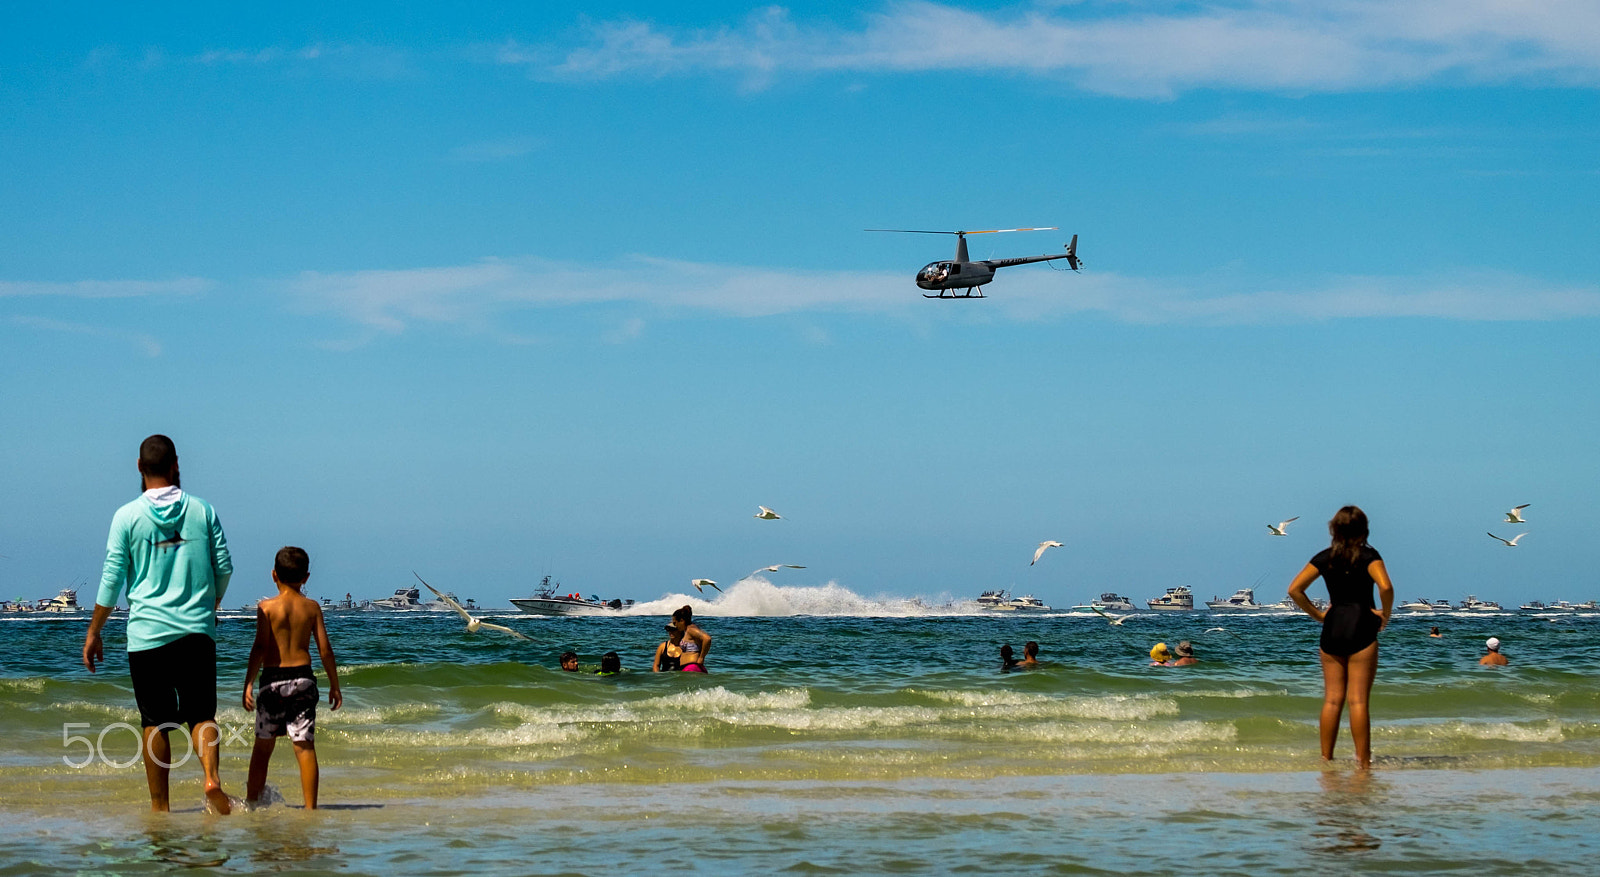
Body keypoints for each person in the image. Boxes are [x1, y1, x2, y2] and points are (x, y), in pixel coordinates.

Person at [81, 435, 235, 813]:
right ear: (176, 465)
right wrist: (211, 602)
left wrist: (94, 631)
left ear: (138, 467)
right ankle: (212, 778)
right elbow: (226, 567)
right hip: (197, 631)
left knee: (155, 722)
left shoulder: (126, 517)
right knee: (201, 715)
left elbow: (112, 580)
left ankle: (160, 806)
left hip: (148, 636)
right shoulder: (202, 511)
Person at [1287, 505, 1395, 769]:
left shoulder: (1325, 558)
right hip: (1362, 626)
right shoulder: (1370, 556)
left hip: (1333, 627)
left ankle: (1326, 760)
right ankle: (1363, 763)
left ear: (1334, 529)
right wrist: (1385, 614)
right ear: (1364, 529)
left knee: (1332, 699)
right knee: (1357, 700)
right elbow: (1385, 586)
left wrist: (1318, 615)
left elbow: (1295, 589)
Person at [243, 547, 342, 809]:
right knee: (304, 746)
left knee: (263, 748)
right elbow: (325, 650)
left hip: (272, 681)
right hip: (303, 680)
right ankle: (311, 809)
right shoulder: (311, 608)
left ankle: (251, 803)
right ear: (306, 577)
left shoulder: (266, 608)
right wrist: (335, 684)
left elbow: (260, 648)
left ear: (273, 575)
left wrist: (249, 683)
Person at [666, 605, 712, 672]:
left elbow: (707, 638)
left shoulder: (691, 629)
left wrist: (701, 657)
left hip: (692, 667)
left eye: (675, 623)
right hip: (690, 667)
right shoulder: (687, 630)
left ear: (681, 621)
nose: (675, 625)